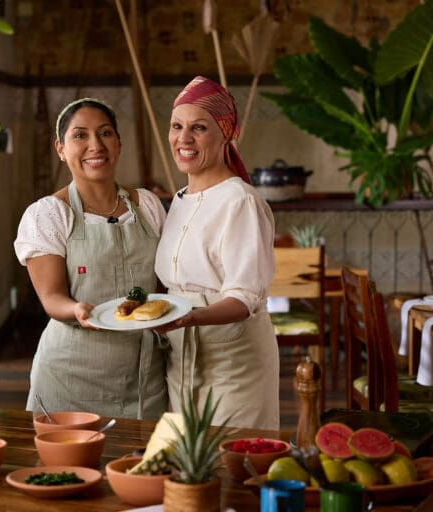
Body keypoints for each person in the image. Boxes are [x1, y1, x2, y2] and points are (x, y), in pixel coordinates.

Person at [14, 98, 168, 420]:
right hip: (70, 377)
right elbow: (51, 296)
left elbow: (163, 288)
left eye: (105, 133)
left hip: (144, 375)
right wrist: (76, 309)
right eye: (80, 136)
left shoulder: (148, 206)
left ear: (119, 143)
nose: (95, 146)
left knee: (138, 466)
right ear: (60, 148)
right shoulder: (49, 214)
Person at [154, 76, 279, 429]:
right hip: (182, 357)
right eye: (177, 126)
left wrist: (188, 317)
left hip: (234, 362)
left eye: (199, 127)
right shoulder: (179, 200)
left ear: (226, 133)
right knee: (193, 468)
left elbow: (244, 298)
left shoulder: (240, 201)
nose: (184, 139)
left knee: (231, 464)